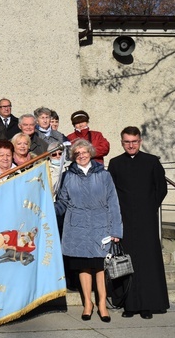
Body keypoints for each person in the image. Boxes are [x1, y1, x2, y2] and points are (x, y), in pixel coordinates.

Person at [55, 139, 122, 323]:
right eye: (77, 153)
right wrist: (50, 209)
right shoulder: (68, 176)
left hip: (101, 226)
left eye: (84, 152)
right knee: (83, 266)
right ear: (73, 156)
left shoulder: (104, 175)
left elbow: (113, 203)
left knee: (100, 267)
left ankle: (101, 304)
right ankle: (88, 304)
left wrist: (116, 230)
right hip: (77, 227)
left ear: (90, 153)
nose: (81, 156)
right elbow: (62, 201)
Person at [108, 126, 169, 319]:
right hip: (124, 220)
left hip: (146, 220)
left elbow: (161, 188)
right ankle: (129, 304)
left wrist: (149, 208)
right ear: (122, 142)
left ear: (140, 141)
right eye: (127, 142)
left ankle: (147, 305)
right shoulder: (115, 163)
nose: (131, 145)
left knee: (147, 262)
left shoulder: (152, 162)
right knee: (128, 262)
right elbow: (112, 192)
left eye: (134, 141)